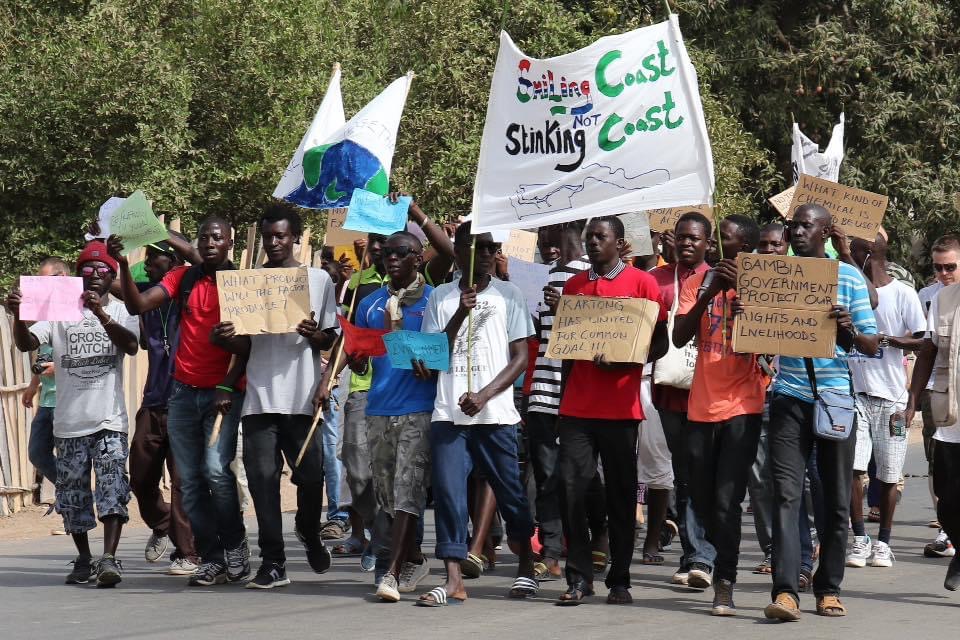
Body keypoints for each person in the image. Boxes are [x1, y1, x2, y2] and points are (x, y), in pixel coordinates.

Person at [111, 218, 250, 587]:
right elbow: (139, 303)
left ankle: (236, 546)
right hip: (182, 392)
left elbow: (249, 346)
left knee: (217, 473)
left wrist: (227, 381)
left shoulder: (240, 284)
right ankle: (211, 558)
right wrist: (124, 264)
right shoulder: (182, 279)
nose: (208, 243)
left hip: (223, 393)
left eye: (216, 237)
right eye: (203, 237)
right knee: (188, 481)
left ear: (229, 243)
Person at [210, 203, 339, 588]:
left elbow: (330, 338)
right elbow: (242, 342)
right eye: (268, 236)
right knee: (263, 481)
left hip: (302, 400)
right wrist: (223, 339)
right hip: (260, 400)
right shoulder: (249, 283)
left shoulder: (317, 280)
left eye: (281, 235)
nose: (274, 242)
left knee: (311, 476)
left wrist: (312, 335)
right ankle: (273, 561)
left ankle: (309, 528)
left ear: (296, 236)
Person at [763, 204, 878, 622]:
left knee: (834, 499)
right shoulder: (777, 274)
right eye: (793, 225)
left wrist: (847, 326)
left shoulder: (848, 278)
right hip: (788, 398)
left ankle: (828, 588)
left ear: (826, 231)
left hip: (834, 402)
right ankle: (786, 591)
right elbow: (757, 334)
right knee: (787, 496)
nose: (796, 232)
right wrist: (749, 322)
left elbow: (871, 346)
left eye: (805, 226)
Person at [416, 221, 537, 606]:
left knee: (511, 496)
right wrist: (458, 316)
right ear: (460, 249)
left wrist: (484, 395)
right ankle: (453, 579)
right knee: (451, 497)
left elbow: (520, 358)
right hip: (449, 414)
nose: (487, 255)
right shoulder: (441, 297)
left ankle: (525, 567)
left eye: (492, 248)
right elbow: (433, 355)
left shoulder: (510, 294)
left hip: (496, 415)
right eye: (479, 247)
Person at [8, 241, 139, 587]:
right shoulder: (59, 310)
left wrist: (101, 313)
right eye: (87, 269)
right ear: (77, 275)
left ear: (111, 275)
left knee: (113, 488)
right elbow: (26, 344)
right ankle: (84, 558)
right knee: (73, 495)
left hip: (109, 419)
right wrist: (17, 316)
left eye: (102, 270)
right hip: (68, 423)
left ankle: (109, 559)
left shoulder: (123, 310)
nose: (95, 276)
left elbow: (130, 345)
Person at [554, 216, 669, 605]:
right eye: (589, 237)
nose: (592, 243)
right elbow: (568, 349)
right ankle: (579, 577)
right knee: (572, 490)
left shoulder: (642, 284)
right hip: (577, 407)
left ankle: (619, 579)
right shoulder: (574, 285)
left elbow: (661, 343)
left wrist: (626, 360)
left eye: (600, 237)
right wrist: (561, 402)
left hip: (620, 407)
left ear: (620, 243)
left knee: (621, 496)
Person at [672, 214, 765, 615]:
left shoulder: (762, 284)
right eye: (718, 241)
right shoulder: (697, 283)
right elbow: (678, 336)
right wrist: (711, 293)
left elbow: (773, 342)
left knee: (728, 500)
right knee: (703, 498)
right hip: (701, 407)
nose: (719, 247)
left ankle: (724, 580)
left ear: (744, 245)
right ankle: (715, 554)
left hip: (743, 405)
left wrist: (749, 304)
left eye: (727, 240)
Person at [351, 230, 436, 602]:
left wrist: (430, 367)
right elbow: (361, 352)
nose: (392, 257)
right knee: (382, 495)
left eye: (401, 252)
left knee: (407, 491)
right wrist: (355, 359)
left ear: (418, 257)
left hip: (418, 408)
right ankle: (414, 556)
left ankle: (391, 571)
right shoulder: (370, 303)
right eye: (387, 252)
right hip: (378, 407)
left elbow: (442, 353)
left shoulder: (434, 301)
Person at [845, 234, 925, 569]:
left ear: (870, 252)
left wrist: (889, 340)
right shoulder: (849, 288)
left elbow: (923, 343)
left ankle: (884, 543)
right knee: (853, 468)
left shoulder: (903, 293)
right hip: (855, 395)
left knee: (889, 475)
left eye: (855, 248)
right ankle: (860, 539)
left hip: (891, 398)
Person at [128, 236, 200, 576]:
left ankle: (189, 552)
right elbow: (121, 290)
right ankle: (163, 523)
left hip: (185, 400)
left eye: (157, 258)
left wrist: (159, 231)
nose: (150, 264)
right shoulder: (149, 296)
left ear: (173, 263)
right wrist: (102, 262)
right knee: (141, 477)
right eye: (148, 258)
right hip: (153, 400)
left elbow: (198, 259)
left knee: (183, 480)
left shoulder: (191, 288)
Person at [526, 221, 591, 581]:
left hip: (579, 391)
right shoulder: (539, 277)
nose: (541, 233)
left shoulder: (594, 275)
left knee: (580, 475)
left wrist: (567, 306)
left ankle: (589, 544)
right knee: (547, 475)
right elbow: (537, 333)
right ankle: (550, 551)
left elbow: (601, 332)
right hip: (543, 389)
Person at [649, 211, 712, 584]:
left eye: (695, 238)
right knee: (685, 475)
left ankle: (702, 553)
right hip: (668, 391)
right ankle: (695, 555)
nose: (687, 243)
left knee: (700, 474)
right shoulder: (654, 279)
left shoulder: (718, 278)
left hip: (712, 392)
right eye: (682, 237)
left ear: (707, 243)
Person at [904, 283, 960, 592]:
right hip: (952, 417)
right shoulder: (945, 299)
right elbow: (928, 352)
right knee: (947, 499)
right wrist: (912, 400)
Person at [918, 235, 960, 556]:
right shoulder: (939, 301)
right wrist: (911, 399)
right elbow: (927, 351)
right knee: (944, 487)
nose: (944, 274)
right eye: (938, 268)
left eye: (951, 267)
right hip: (947, 406)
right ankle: (952, 534)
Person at [20, 257, 70, 492]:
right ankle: (71, 491)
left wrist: (58, 368)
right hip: (48, 399)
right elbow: (43, 354)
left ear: (61, 278)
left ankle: (73, 498)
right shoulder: (45, 314)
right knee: (37, 453)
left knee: (69, 455)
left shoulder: (76, 312)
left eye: (44, 279)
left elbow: (84, 355)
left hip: (68, 400)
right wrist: (34, 383)